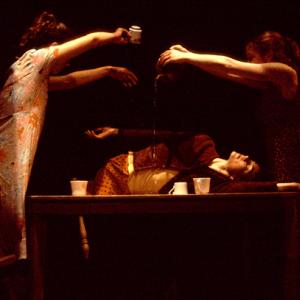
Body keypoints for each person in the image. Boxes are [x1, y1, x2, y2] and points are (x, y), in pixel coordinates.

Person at [0, 11, 138, 259]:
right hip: (10, 148)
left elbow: (69, 81)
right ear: (55, 47)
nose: (68, 62)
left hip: (11, 148)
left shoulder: (26, 68)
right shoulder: (37, 58)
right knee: (9, 216)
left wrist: (107, 70)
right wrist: (114, 36)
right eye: (65, 55)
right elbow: (93, 40)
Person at [156, 31, 300, 183]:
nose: (249, 63)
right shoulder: (270, 84)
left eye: (251, 58)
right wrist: (191, 60)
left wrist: (188, 56)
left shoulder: (285, 73)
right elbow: (227, 72)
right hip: (281, 157)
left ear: (269, 54)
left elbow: (229, 64)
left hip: (292, 156)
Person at [86, 127, 300, 195]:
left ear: (240, 177)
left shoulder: (221, 184)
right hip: (120, 168)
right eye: (248, 157)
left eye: (249, 164)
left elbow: (259, 188)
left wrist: (292, 186)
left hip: (135, 192)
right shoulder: (204, 144)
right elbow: (164, 134)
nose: (245, 156)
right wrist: (118, 132)